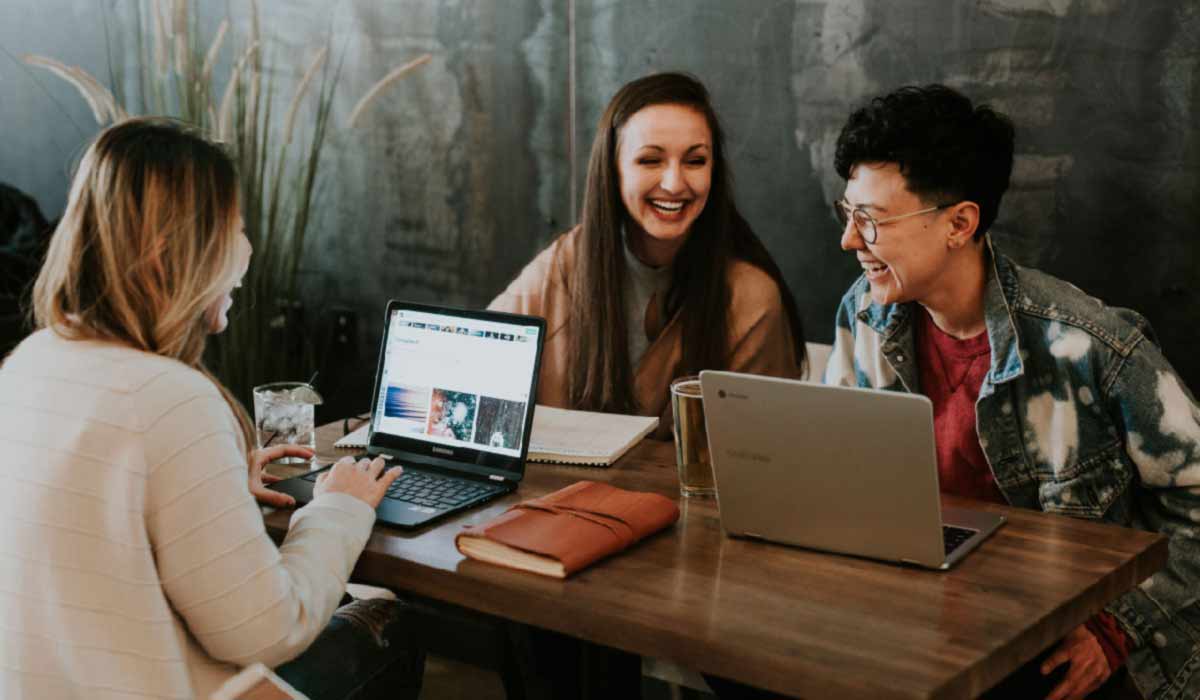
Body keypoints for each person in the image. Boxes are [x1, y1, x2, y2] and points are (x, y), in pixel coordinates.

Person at [0, 118, 423, 699]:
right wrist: (337, 510)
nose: (245, 252)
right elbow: (267, 632)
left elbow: (94, 529)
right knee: (391, 626)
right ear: (172, 253)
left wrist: (216, 479)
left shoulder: (30, 360)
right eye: (234, 229)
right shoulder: (172, 399)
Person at [825, 85, 1200, 700]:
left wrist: (1116, 629)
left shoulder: (1091, 346)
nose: (849, 240)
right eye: (848, 213)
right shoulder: (864, 313)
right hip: (922, 624)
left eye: (871, 220)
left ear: (960, 223)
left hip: (1057, 644)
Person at [491, 72, 806, 438]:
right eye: (650, 161)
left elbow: (762, 455)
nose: (674, 183)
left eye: (695, 161)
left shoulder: (751, 298)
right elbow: (472, 365)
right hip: (555, 494)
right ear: (613, 170)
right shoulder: (565, 263)